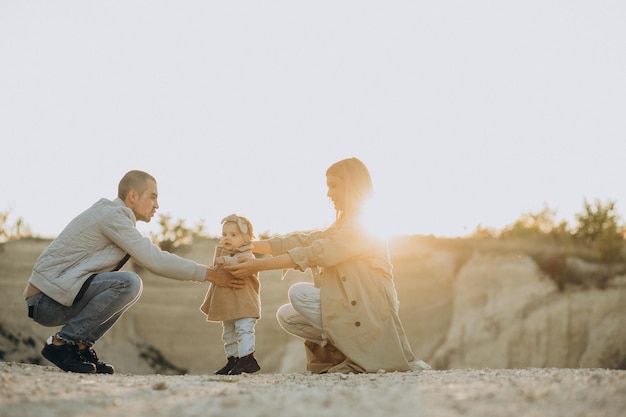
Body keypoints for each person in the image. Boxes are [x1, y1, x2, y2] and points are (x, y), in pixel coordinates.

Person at [23, 170, 245, 374]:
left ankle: (79, 348)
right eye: (153, 196)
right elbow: (154, 260)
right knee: (128, 283)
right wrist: (209, 274)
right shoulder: (111, 216)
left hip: (54, 298)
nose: (157, 204)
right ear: (132, 196)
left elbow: (152, 254)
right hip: (45, 301)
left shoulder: (115, 219)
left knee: (129, 288)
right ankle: (62, 344)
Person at [226, 157, 430, 374]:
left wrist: (256, 266)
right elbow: (306, 240)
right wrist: (247, 244)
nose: (328, 193)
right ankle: (354, 350)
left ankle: (368, 352)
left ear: (351, 185)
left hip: (370, 307)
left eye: (333, 186)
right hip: (353, 305)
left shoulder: (362, 225)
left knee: (299, 293)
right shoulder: (342, 224)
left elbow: (315, 252)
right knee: (286, 316)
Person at [199, 214, 261, 375]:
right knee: (228, 333)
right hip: (230, 307)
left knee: (244, 330)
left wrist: (224, 260)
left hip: (244, 305)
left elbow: (238, 264)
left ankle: (247, 358)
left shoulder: (247, 255)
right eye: (224, 234)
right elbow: (217, 268)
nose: (227, 238)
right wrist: (220, 258)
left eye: (233, 235)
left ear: (246, 239)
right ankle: (232, 359)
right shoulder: (224, 254)